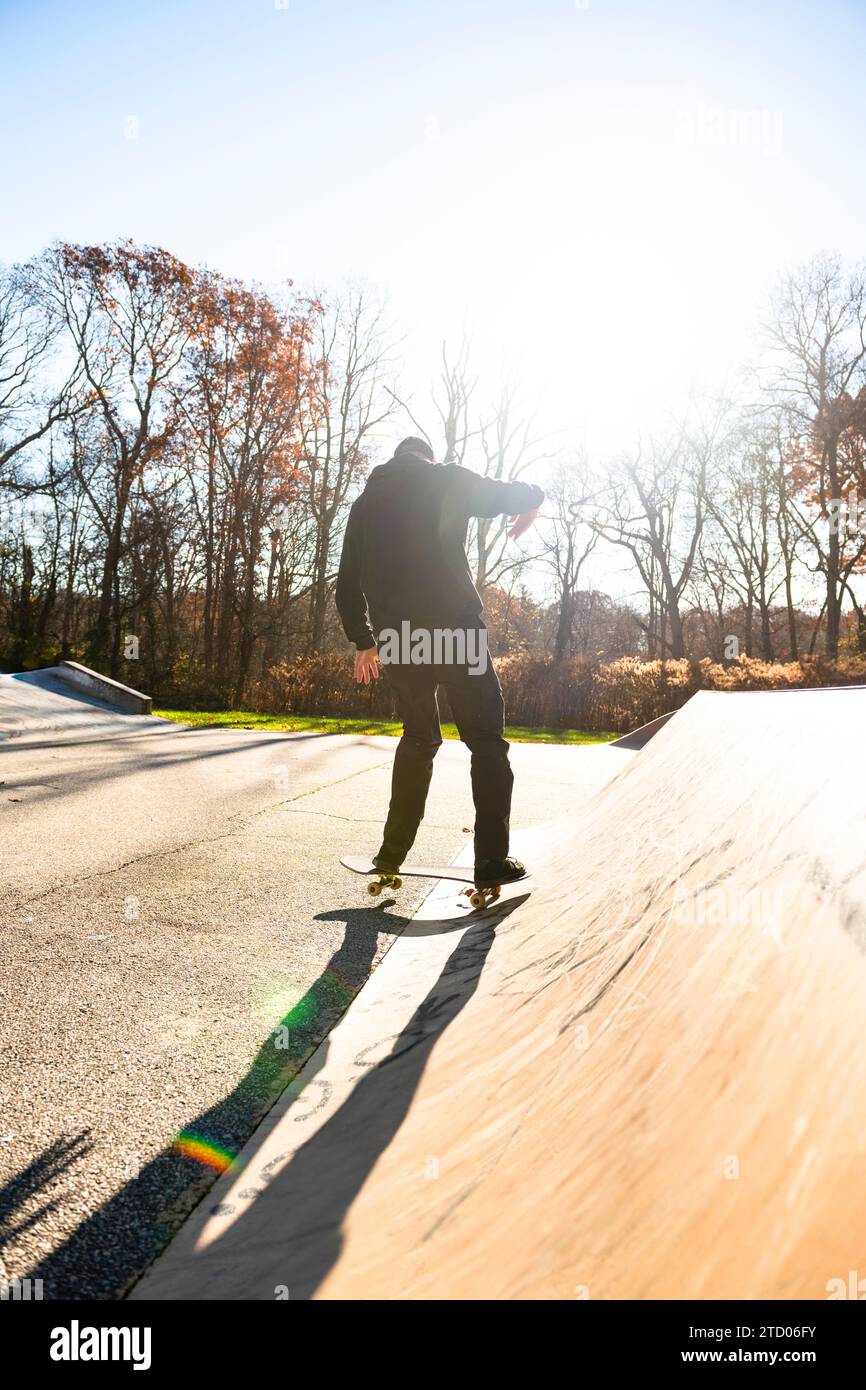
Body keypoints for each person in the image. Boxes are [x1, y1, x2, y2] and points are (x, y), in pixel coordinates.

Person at [335, 436, 544, 887]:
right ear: (426, 457)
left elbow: (346, 584)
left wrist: (363, 641)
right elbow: (503, 494)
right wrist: (534, 500)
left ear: (394, 460)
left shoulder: (364, 505)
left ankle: (390, 856)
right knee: (486, 743)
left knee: (418, 740)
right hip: (455, 633)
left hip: (401, 641)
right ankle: (490, 862)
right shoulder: (445, 478)